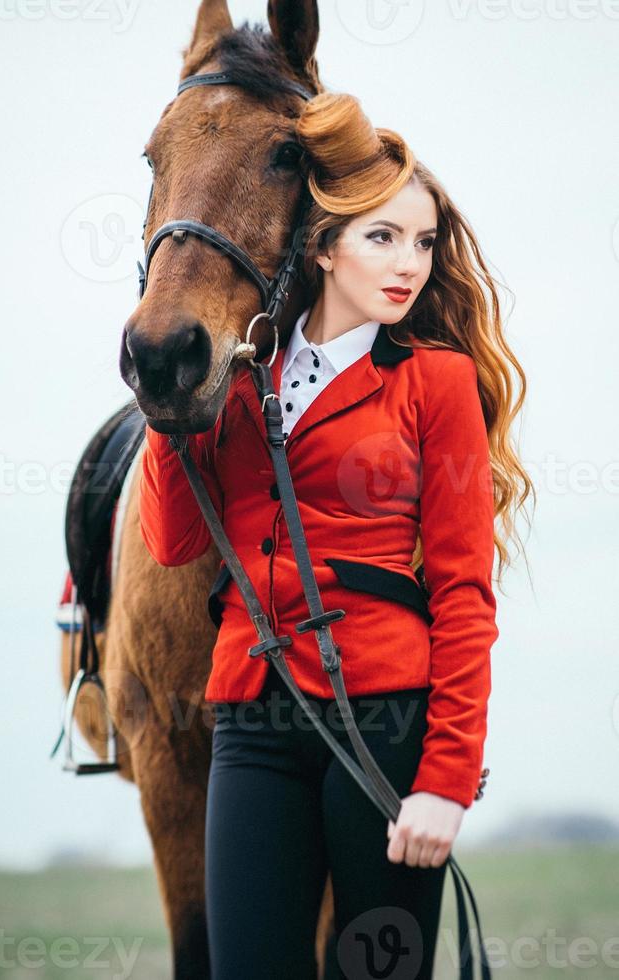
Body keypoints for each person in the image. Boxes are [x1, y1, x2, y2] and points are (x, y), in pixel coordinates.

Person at [139, 92, 533, 980]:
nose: (410, 266)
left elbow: (466, 594)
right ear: (322, 246)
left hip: (384, 720)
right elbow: (169, 542)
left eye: (425, 243)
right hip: (251, 717)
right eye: (384, 238)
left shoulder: (436, 382)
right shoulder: (241, 382)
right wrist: (166, 409)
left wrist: (445, 776)